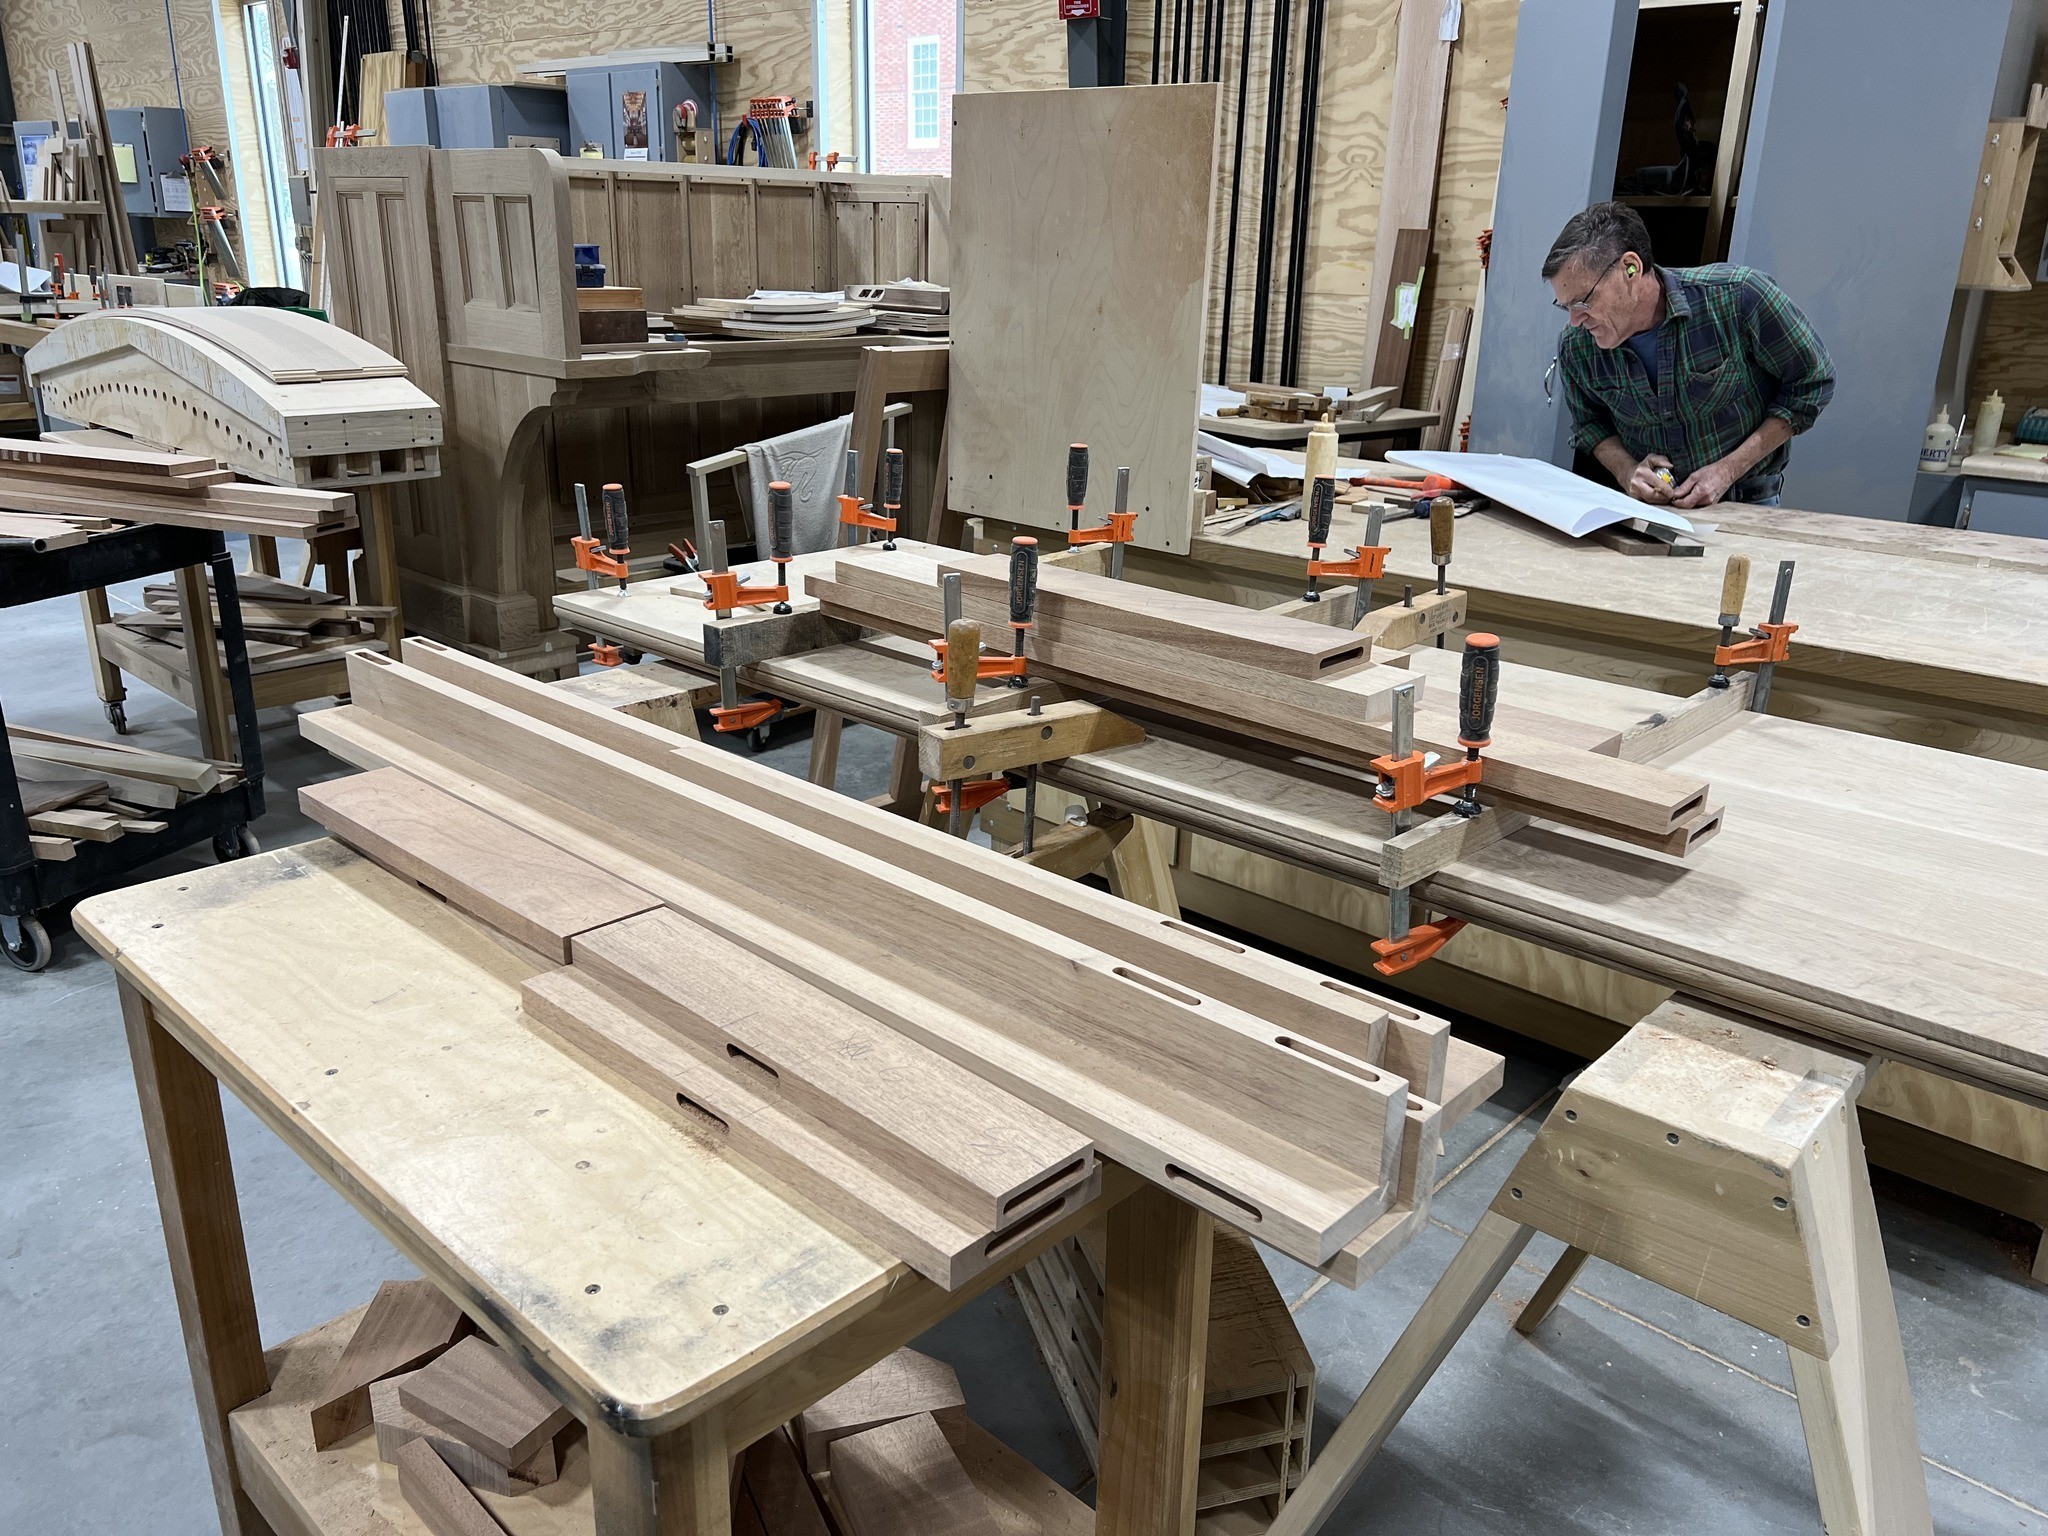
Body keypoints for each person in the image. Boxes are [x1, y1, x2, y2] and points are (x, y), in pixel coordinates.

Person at [1544, 202, 1834, 509]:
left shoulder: (1737, 298)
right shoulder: (1577, 346)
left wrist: (1728, 470)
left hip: (1747, 499)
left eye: (1584, 302)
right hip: (1654, 509)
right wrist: (1627, 470)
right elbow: (1590, 425)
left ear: (1631, 268)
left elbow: (1812, 382)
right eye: (1565, 307)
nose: (1576, 320)